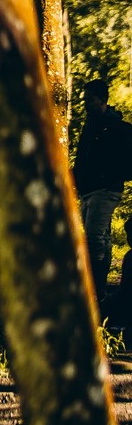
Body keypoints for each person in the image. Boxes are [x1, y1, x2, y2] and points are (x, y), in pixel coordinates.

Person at [73, 79, 132, 299]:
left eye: (90, 99)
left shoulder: (113, 126)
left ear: (102, 100)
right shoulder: (90, 125)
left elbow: (124, 157)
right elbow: (83, 157)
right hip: (89, 189)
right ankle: (98, 289)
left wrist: (108, 176)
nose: (86, 104)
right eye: (85, 100)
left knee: (94, 238)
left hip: (106, 190)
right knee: (101, 237)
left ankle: (95, 285)